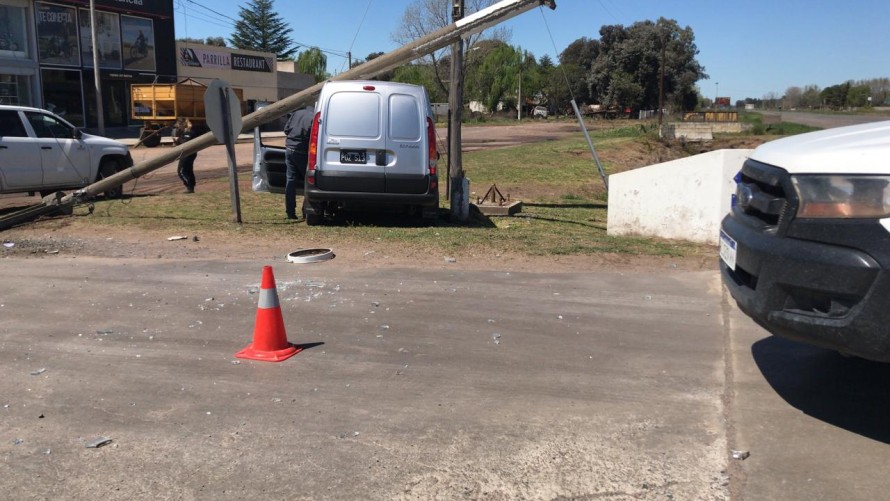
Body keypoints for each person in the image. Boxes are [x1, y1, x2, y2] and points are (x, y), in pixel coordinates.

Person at [283, 105, 315, 219]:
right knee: (309, 182)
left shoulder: (296, 113)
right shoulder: (314, 117)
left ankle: (290, 212)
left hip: (289, 149)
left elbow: (286, 130)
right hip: (302, 151)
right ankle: (305, 211)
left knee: (290, 181)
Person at [173, 118, 197, 193]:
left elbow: (186, 142)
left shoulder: (189, 132)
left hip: (188, 153)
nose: (178, 128)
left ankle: (189, 186)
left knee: (181, 171)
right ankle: (191, 186)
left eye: (178, 126)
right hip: (189, 153)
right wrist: (177, 141)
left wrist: (178, 141)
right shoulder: (185, 132)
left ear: (182, 124)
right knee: (188, 170)